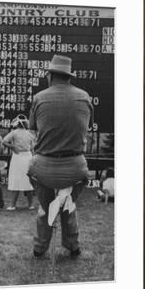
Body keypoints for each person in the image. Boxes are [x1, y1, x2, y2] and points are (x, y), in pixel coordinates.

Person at [28, 54, 93, 259]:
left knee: (46, 208)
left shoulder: (39, 98)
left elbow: (32, 129)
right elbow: (86, 128)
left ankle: (40, 248)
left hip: (44, 167)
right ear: (69, 77)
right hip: (75, 168)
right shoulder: (84, 97)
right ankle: (73, 245)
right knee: (67, 205)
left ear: (50, 76)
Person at [2, 115, 36, 210]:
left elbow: (4, 141)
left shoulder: (14, 133)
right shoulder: (29, 134)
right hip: (27, 157)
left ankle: (13, 205)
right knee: (28, 180)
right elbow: (33, 148)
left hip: (18, 157)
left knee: (16, 180)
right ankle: (31, 205)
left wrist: (12, 147)